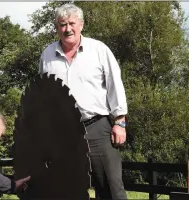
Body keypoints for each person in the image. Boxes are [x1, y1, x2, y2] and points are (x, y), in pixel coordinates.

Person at [39, 3, 128, 200]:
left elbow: (115, 85)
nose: (67, 29)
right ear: (56, 27)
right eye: (62, 24)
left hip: (97, 127)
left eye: (71, 23)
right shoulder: (47, 55)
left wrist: (119, 122)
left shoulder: (99, 50)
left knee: (111, 187)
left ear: (81, 25)